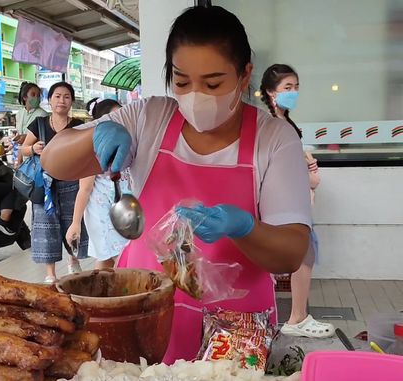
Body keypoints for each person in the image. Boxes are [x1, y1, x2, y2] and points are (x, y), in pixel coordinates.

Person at [41, 6, 312, 363]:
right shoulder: (149, 116)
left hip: (235, 333)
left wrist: (244, 227)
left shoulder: (274, 138)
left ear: (245, 76)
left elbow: (292, 251)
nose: (196, 95)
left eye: (213, 83)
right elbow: (54, 161)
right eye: (182, 81)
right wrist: (97, 135)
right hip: (145, 313)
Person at [260, 64, 335, 338]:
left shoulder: (284, 121)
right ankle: (296, 318)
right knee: (302, 253)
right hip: (285, 202)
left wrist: (308, 167)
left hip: (293, 200)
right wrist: (308, 176)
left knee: (304, 253)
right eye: (287, 88)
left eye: (296, 87)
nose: (293, 93)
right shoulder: (272, 124)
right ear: (270, 92)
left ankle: (295, 316)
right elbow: (280, 167)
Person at [22, 82, 88, 283]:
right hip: (44, 186)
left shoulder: (78, 125)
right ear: (50, 100)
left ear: (72, 101)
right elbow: (23, 149)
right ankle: (50, 274)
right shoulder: (39, 124)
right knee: (46, 228)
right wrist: (33, 149)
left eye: (66, 96)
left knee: (72, 224)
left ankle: (73, 261)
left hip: (72, 184)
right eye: (57, 96)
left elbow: (86, 152)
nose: (62, 100)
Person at [65, 98, 129, 269]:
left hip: (121, 212)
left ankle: (95, 294)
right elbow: (84, 190)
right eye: (114, 117)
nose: (120, 121)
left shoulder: (128, 143)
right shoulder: (94, 149)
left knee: (106, 261)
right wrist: (75, 223)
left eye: (122, 116)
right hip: (103, 216)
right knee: (122, 260)